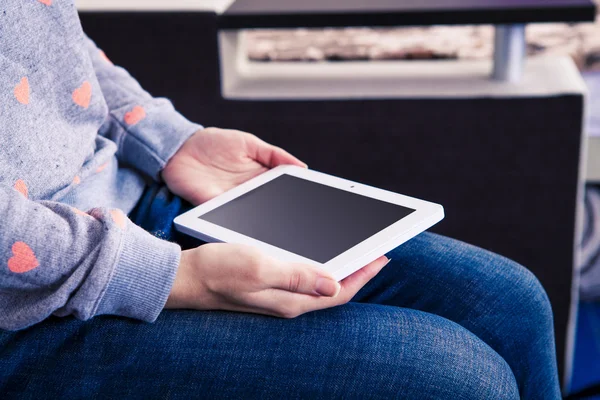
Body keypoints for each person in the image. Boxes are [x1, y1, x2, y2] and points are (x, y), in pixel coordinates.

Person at [0, 1, 561, 398]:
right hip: (26, 308)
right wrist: (177, 278)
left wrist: (169, 141)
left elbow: (54, 44)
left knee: (509, 301)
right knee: (462, 379)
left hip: (121, 201)